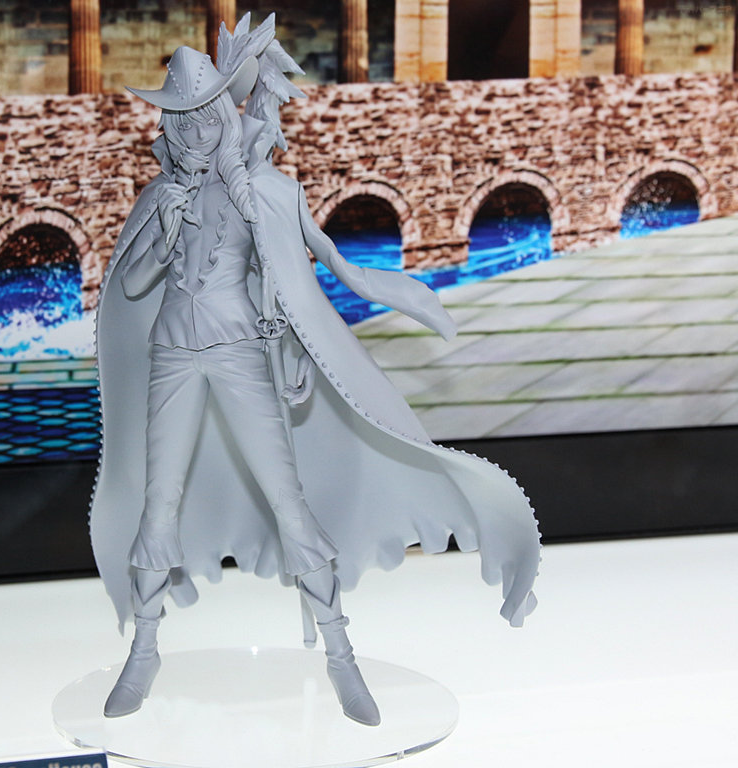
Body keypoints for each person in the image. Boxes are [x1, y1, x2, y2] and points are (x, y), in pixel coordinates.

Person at [89, 16, 540, 727]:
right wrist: (167, 226)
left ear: (223, 114)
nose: (197, 130)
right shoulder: (159, 197)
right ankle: (143, 652)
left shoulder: (266, 192)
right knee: (158, 503)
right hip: (174, 353)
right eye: (183, 118)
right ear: (169, 125)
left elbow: (306, 272)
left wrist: (309, 345)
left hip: (241, 351)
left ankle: (340, 655)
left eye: (206, 114)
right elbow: (137, 283)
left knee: (289, 502)